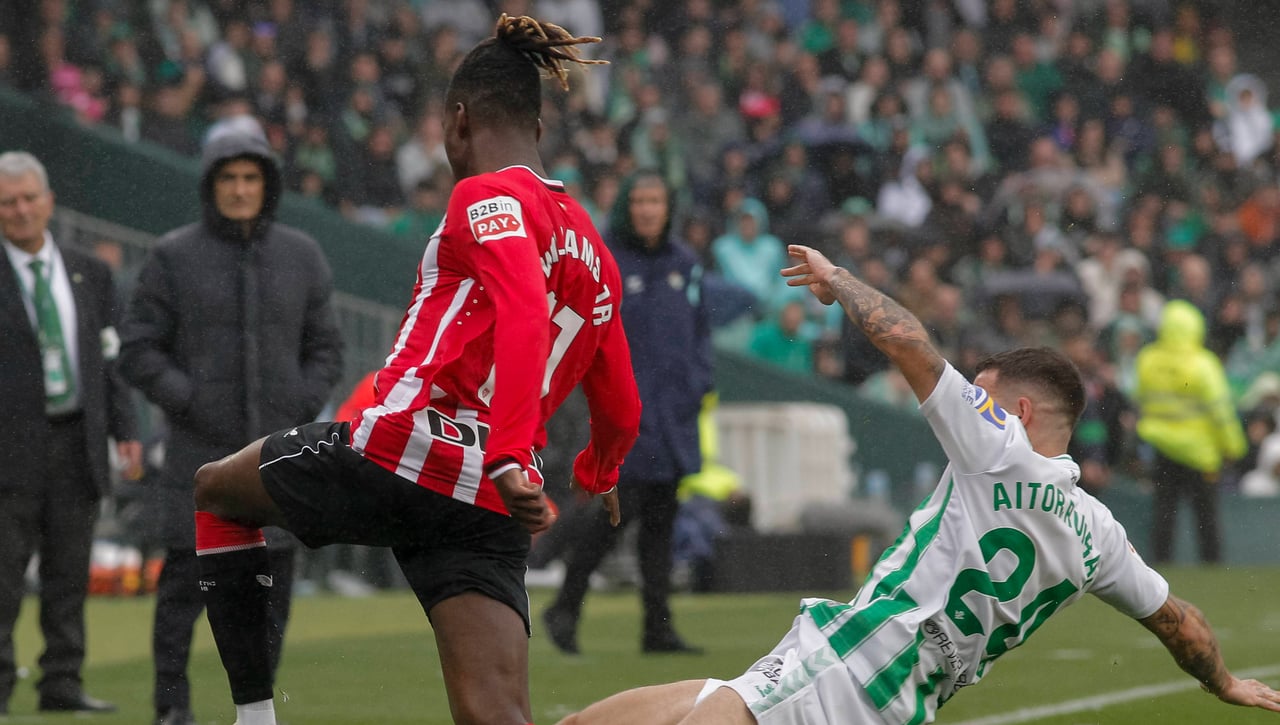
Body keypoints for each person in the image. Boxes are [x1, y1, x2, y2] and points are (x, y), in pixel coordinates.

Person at [556, 244, 1280, 725]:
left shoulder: (997, 447)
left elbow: (906, 339)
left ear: (1020, 412)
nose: (978, 402)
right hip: (900, 697)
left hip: (856, 662)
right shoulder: (1099, 535)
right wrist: (1222, 682)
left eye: (989, 396)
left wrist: (838, 281)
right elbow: (1179, 621)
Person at [188, 15, 640, 725]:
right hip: (486, 505)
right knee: (496, 714)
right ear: (540, 129)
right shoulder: (596, 250)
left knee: (217, 490)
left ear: (458, 121)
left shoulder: (484, 197)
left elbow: (523, 311)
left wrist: (511, 452)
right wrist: (601, 470)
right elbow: (621, 397)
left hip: (411, 449)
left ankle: (253, 719)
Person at [118, 129, 345, 725]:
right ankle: (172, 707)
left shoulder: (304, 255)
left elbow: (326, 348)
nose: (240, 190)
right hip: (198, 456)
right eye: (228, 178)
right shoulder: (173, 255)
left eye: (250, 178)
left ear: (267, 185)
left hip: (277, 457)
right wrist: (185, 399)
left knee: (274, 594)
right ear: (210, 185)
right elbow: (138, 348)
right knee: (182, 596)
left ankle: (257, 710)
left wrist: (301, 399)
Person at [544, 170, 712, 655]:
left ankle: (656, 628)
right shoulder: (606, 256)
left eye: (655, 200)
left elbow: (700, 334)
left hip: (674, 419)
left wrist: (699, 384)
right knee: (613, 517)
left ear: (668, 206)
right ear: (626, 205)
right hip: (624, 418)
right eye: (638, 200)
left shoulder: (685, 261)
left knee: (660, 526)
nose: (647, 209)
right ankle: (566, 606)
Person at [0, 150, 140, 715]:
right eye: (8, 203)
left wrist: (125, 426)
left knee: (68, 573)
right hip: (9, 449)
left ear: (50, 202)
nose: (20, 210)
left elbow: (111, 357)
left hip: (78, 441)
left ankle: (62, 681)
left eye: (29, 198)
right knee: (3, 577)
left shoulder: (91, 271)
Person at [1133, 299, 1247, 565]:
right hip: (1200, 453)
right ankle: (1212, 566)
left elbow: (1137, 398)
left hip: (1161, 447)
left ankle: (1160, 567)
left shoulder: (1147, 360)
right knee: (1206, 516)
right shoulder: (1203, 364)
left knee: (1164, 513)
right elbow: (1222, 413)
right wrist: (1234, 448)